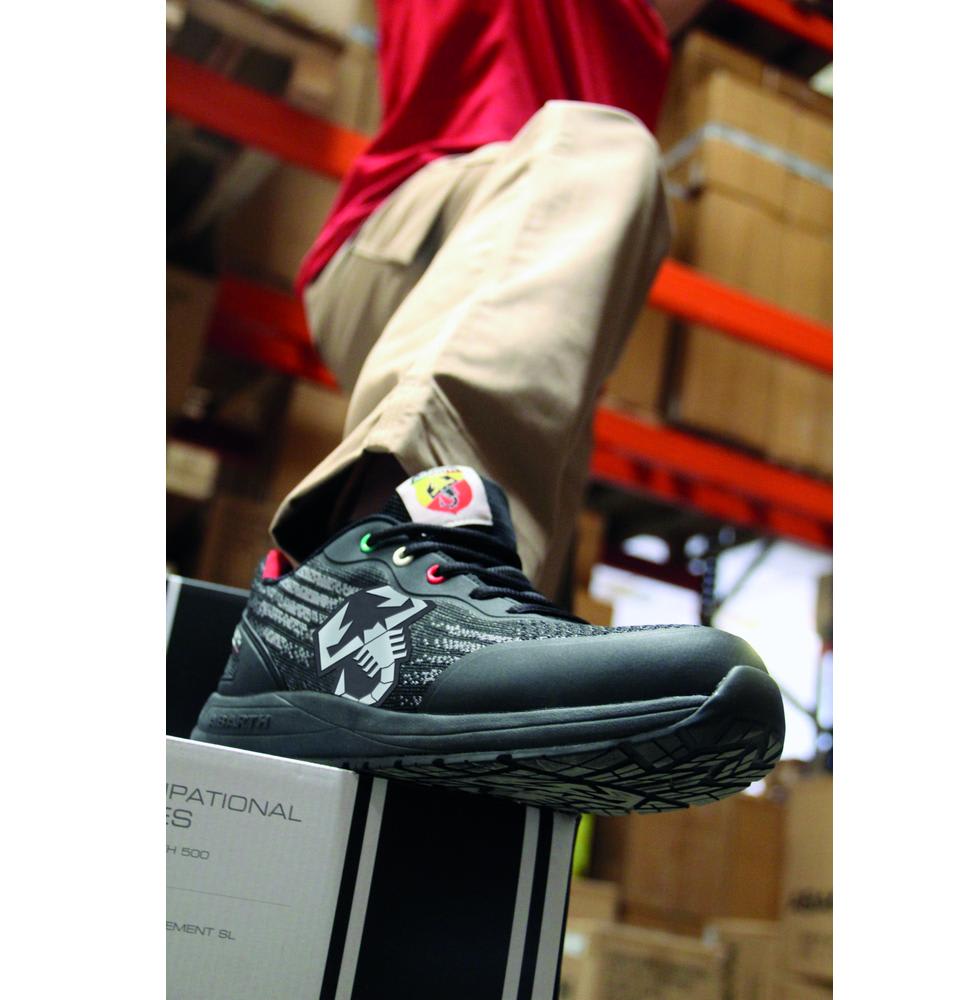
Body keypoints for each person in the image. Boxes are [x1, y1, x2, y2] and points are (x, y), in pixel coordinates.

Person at [193, 0, 784, 814]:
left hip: (523, 286)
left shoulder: (649, 30)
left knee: (510, 662)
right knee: (604, 148)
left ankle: (342, 675)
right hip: (424, 222)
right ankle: (359, 595)